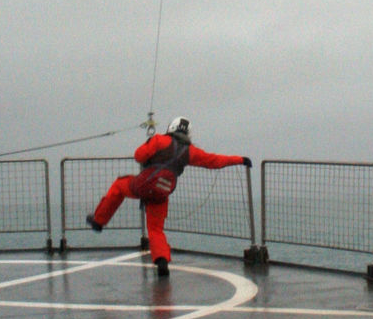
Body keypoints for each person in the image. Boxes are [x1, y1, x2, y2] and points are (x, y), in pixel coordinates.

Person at [87, 117, 251, 277]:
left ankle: (98, 221)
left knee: (119, 185)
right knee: (156, 229)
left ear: (171, 128)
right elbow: (214, 161)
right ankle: (162, 260)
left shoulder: (159, 140)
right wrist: (240, 159)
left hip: (144, 184)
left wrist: (148, 145)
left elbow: (139, 156)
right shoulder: (190, 151)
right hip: (163, 192)